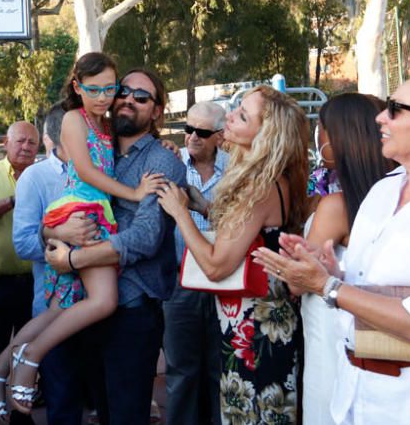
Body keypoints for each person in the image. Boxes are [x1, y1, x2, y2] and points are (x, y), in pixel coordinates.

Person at [255, 69, 410, 424]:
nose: (380, 116)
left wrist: (328, 286)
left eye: (395, 108)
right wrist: (331, 270)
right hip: (363, 393)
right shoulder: (384, 190)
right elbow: (375, 283)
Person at [0, 53, 166, 417]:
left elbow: (136, 136)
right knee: (103, 301)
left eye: (109, 89)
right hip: (80, 208)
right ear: (77, 87)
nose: (103, 96)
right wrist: (133, 193)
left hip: (97, 212)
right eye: (93, 89)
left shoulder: (108, 123)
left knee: (61, 305)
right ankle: (29, 356)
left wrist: (165, 145)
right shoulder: (72, 120)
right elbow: (84, 170)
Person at [157, 85, 309, 424]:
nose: (230, 116)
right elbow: (247, 237)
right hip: (256, 322)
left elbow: (215, 265)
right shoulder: (274, 178)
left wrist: (181, 212)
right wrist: (205, 208)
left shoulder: (258, 185)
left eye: (242, 115)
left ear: (265, 134)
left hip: (255, 330)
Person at [45, 67, 186, 424]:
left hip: (132, 309)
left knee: (126, 415)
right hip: (87, 306)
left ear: (156, 111)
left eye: (142, 97)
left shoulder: (160, 160)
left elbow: (144, 238)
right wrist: (56, 234)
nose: (127, 100)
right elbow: (55, 218)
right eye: (123, 91)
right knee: (99, 413)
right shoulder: (96, 151)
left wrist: (75, 258)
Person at [299, 94, 393, 425]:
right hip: (371, 327)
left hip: (330, 327)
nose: (318, 138)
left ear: (338, 136)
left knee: (327, 407)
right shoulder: (387, 191)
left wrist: (285, 267)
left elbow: (299, 282)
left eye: (321, 130)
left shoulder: (337, 205)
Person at [12, 104, 91, 425]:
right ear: (60, 137)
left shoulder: (100, 172)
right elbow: (23, 243)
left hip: (104, 304)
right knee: (63, 401)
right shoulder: (35, 178)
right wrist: (62, 242)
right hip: (52, 307)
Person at [164, 101, 229, 425]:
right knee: (180, 373)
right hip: (180, 283)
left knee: (222, 370)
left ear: (219, 135)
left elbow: (241, 222)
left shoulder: (236, 169)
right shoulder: (172, 165)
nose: (192, 137)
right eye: (187, 129)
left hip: (226, 283)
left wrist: (203, 209)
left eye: (202, 132)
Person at [0, 120, 42, 422]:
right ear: (5, 142)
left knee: (27, 353)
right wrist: (15, 200)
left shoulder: (41, 176)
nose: (26, 147)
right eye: (20, 141)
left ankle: (20, 414)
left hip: (32, 280)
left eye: (32, 143)